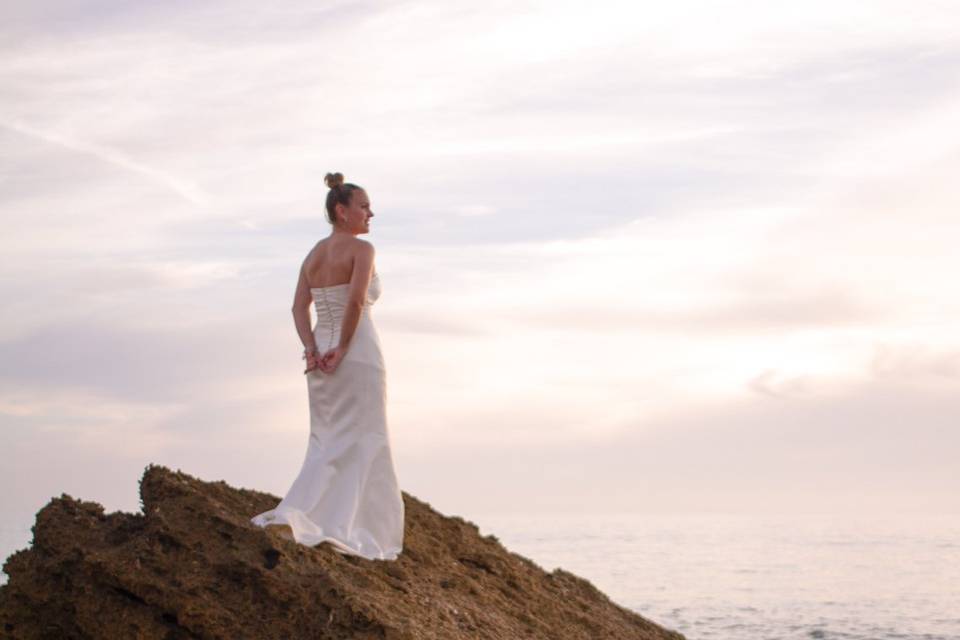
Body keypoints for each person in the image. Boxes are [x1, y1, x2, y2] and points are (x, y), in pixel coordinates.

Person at [249, 172, 404, 560]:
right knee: (365, 436)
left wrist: (312, 348)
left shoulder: (313, 255)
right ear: (342, 210)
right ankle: (353, 525)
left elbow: (299, 307)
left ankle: (310, 512)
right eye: (364, 206)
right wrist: (344, 347)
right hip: (358, 352)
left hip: (321, 348)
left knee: (326, 437)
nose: (371, 213)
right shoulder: (362, 251)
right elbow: (353, 304)